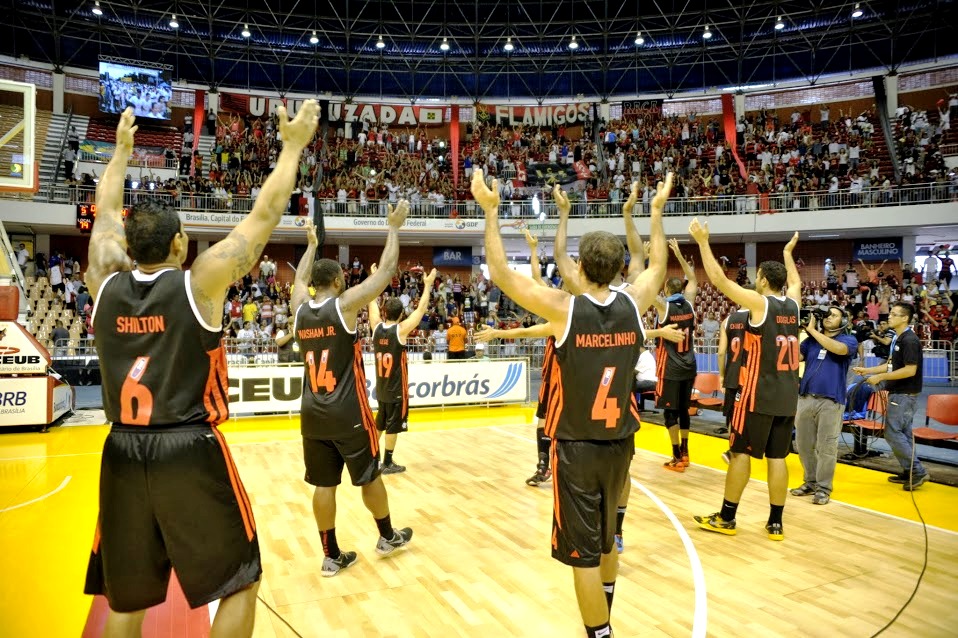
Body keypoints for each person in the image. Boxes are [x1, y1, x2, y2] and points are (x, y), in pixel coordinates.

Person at [83, 102, 319, 637]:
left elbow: (102, 215)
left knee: (125, 602)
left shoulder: (103, 282)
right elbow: (265, 214)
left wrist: (120, 153)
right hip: (188, 448)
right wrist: (292, 146)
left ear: (126, 247)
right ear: (179, 244)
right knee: (240, 581)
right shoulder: (199, 284)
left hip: (121, 451)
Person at [473, 167, 674, 638]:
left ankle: (599, 634)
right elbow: (659, 268)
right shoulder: (635, 304)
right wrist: (657, 212)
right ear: (620, 268)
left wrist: (490, 211)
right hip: (622, 443)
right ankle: (606, 614)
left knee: (581, 555)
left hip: (577, 449)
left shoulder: (566, 311)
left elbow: (501, 275)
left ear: (580, 269)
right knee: (608, 543)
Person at [290, 204, 414, 579]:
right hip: (348, 413)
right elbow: (386, 274)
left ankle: (330, 556)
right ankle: (387, 536)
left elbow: (298, 282)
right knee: (370, 477)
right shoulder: (343, 307)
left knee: (323, 484)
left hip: (312, 413)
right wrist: (393, 228)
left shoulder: (298, 310)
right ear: (340, 283)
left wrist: (310, 246)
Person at [690, 225, 802, 542]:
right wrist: (787, 254)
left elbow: (719, 281)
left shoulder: (759, 304)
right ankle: (775, 523)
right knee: (778, 458)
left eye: (758, 276)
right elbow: (795, 282)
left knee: (739, 454)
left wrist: (703, 243)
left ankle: (727, 517)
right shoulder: (793, 305)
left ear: (763, 280)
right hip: (786, 397)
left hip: (756, 396)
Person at [474, 229, 557, 487]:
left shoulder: (566, 310)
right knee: (546, 422)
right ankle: (547, 466)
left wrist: (499, 331)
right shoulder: (572, 306)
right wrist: (533, 250)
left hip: (561, 376)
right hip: (561, 375)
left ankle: (548, 466)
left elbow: (537, 282)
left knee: (548, 424)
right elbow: (537, 280)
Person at [368, 264, 438, 474]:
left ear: (384, 311)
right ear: (400, 315)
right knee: (392, 426)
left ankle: (371, 458)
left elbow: (370, 301)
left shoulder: (376, 326)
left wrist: (374, 279)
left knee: (379, 423)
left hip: (381, 386)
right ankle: (387, 462)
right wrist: (428, 285)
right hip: (396, 388)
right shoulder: (400, 330)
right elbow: (421, 309)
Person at [852, 303, 929, 490]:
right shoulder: (898, 338)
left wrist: (880, 377)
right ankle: (908, 470)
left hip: (903, 395)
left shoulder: (909, 340)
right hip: (901, 394)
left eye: (894, 314)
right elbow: (890, 366)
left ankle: (917, 470)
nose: (889, 317)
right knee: (903, 434)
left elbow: (910, 370)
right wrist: (868, 370)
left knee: (892, 433)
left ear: (905, 318)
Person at [790, 308, 858, 505]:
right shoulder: (810, 341)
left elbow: (838, 350)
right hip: (805, 398)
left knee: (826, 447)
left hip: (831, 401)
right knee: (803, 444)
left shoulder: (848, 340)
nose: (828, 317)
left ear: (844, 320)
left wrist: (812, 331)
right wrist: (794, 332)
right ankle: (810, 482)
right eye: (827, 315)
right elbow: (794, 357)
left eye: (834, 315)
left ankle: (823, 488)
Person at [653, 238, 698, 471]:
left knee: (670, 414)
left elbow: (648, 289)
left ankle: (676, 456)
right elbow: (694, 278)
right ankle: (686, 452)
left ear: (668, 290)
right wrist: (679, 255)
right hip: (690, 365)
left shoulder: (664, 306)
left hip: (671, 368)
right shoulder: (689, 304)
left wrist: (652, 258)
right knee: (684, 410)